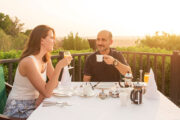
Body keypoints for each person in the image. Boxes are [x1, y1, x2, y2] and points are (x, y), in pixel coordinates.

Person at [3, 25, 72, 119]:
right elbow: (47, 92)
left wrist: (41, 94)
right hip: (18, 108)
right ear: (41, 40)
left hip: (35, 103)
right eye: (51, 38)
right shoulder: (29, 62)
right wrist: (59, 66)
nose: (54, 41)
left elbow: (54, 85)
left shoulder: (46, 59)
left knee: (62, 112)